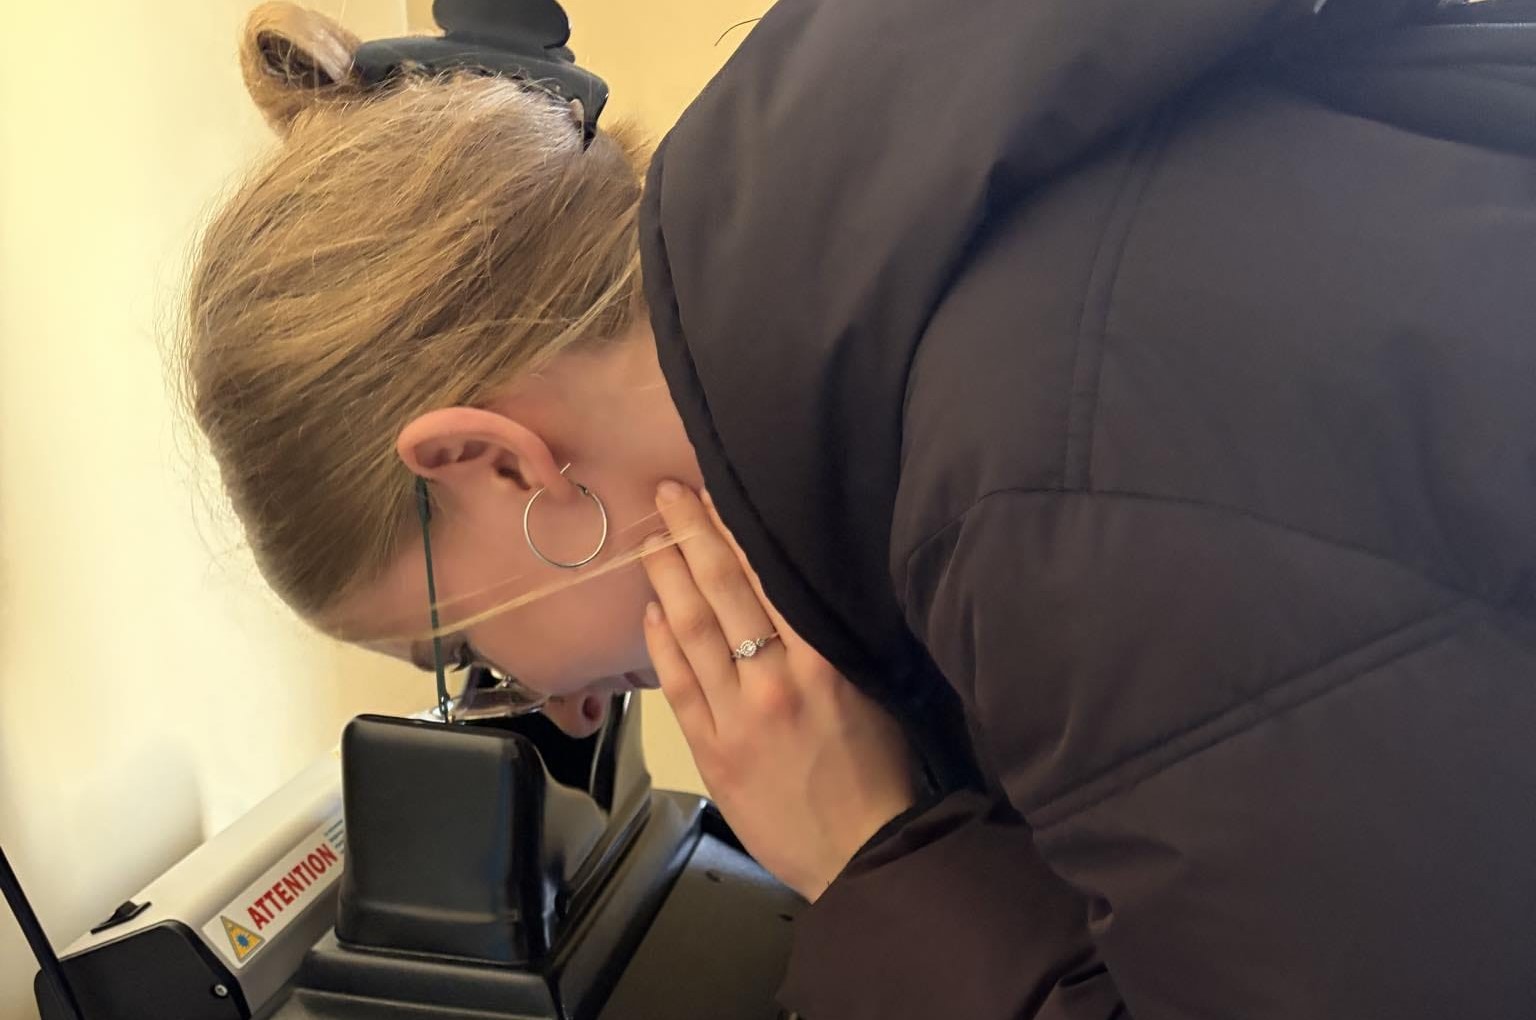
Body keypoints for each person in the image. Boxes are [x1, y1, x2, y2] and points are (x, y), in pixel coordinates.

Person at [179, 0, 1536, 1016]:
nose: (569, 713)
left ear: (494, 464)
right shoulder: (908, 294)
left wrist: (874, 858)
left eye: (461, 653)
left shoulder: (1034, 487)